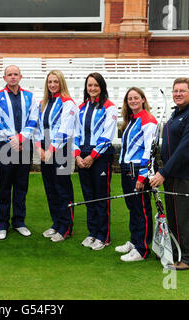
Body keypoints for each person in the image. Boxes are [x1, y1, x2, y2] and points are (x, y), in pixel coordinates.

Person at [150, 77, 189, 270]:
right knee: (175, 217)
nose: (177, 94)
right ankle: (176, 252)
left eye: (182, 91)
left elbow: (184, 149)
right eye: (175, 91)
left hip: (188, 177)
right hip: (174, 175)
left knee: (188, 218)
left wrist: (163, 172)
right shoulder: (178, 113)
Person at [0, 65, 39, 240]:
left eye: (15, 74)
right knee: (4, 186)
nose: (12, 77)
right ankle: (2, 224)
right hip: (5, 145)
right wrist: (13, 138)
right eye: (9, 74)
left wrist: (21, 137)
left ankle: (19, 222)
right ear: (4, 78)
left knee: (21, 185)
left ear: (20, 76)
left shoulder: (30, 97)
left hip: (24, 144)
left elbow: (34, 119)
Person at [73, 73, 117, 250]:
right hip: (82, 156)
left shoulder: (109, 107)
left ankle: (103, 236)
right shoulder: (81, 107)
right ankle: (92, 232)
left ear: (102, 87)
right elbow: (75, 133)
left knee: (101, 197)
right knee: (88, 197)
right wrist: (77, 155)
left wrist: (92, 156)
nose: (92, 88)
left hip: (100, 157)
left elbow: (107, 136)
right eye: (89, 85)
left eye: (96, 85)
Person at [35, 70, 77, 242]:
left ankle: (66, 227)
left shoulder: (68, 103)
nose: (52, 85)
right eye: (50, 82)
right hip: (45, 152)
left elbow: (64, 130)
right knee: (50, 188)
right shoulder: (44, 103)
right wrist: (39, 149)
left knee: (63, 189)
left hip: (60, 151)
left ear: (61, 83)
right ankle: (56, 223)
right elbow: (37, 127)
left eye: (55, 82)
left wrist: (50, 151)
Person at [116, 87, 157, 261]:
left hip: (137, 171)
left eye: (135, 98)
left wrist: (142, 176)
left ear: (143, 100)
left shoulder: (148, 120)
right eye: (129, 99)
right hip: (127, 169)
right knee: (132, 208)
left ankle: (143, 248)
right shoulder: (132, 120)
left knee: (141, 210)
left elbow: (149, 151)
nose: (132, 101)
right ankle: (135, 241)